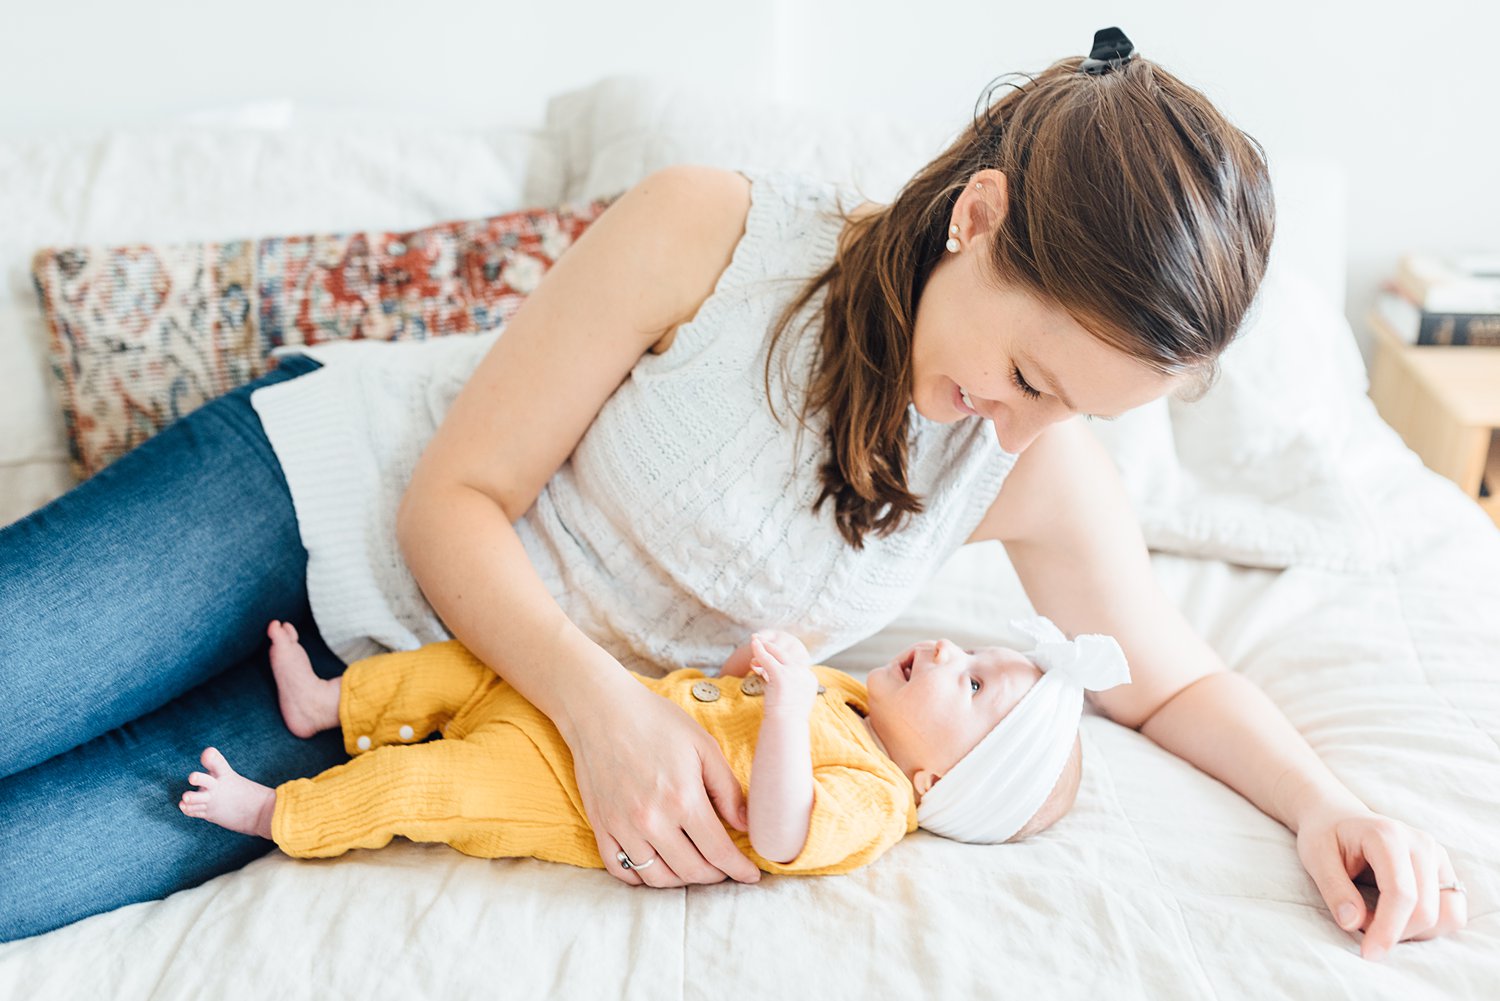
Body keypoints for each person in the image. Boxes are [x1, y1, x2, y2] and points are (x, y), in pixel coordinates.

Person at [0, 27, 1465, 957]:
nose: (1023, 431)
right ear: (979, 217)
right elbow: (452, 499)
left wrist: (1328, 804)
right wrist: (606, 709)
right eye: (1027, 372)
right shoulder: (712, 228)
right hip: (301, 493)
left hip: (409, 682)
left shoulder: (1025, 465)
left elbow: (1171, 677)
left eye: (1073, 411)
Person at [176, 617, 1128, 870]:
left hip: (561, 792)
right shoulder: (851, 698)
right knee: (467, 664)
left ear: (936, 779)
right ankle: (330, 702)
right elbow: (721, 701)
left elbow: (781, 830)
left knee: (425, 785)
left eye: (969, 685)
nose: (946, 650)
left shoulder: (877, 801)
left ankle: (279, 812)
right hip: (596, 712)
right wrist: (753, 665)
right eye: (974, 652)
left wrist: (791, 708)